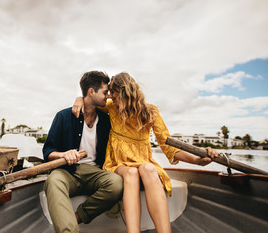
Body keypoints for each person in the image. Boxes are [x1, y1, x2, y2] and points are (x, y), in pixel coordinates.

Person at [73, 72, 220, 233]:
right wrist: (78, 99)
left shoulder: (151, 112)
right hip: (118, 163)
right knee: (131, 173)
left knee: (149, 169)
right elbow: (90, 100)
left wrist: (197, 161)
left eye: (112, 92)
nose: (109, 96)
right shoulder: (111, 108)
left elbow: (168, 147)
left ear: (122, 92)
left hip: (143, 162)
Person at [43, 71, 123, 233]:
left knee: (116, 183)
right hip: (67, 171)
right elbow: (48, 150)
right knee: (53, 181)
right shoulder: (63, 116)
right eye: (104, 92)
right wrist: (63, 154)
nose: (107, 96)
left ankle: (76, 218)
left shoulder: (107, 120)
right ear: (91, 92)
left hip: (95, 172)